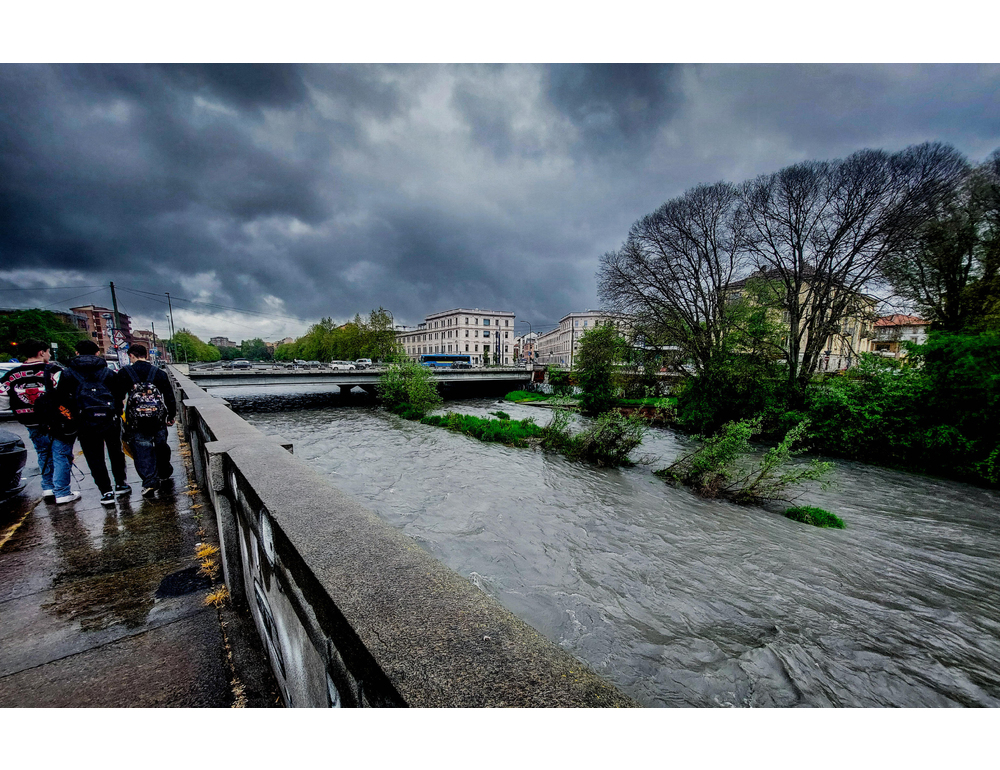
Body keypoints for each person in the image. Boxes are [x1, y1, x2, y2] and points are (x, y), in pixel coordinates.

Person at [0, 339, 80, 503]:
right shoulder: (53, 371)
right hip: (56, 420)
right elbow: (69, 392)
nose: (49, 354)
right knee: (61, 454)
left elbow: (2, 401)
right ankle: (62, 491)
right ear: (41, 352)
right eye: (48, 351)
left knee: (43, 453)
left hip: (30, 421)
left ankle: (48, 488)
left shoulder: (11, 375)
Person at [59, 340, 131, 506]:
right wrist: (117, 411)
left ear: (77, 353)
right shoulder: (108, 373)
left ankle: (106, 492)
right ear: (97, 353)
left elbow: (62, 398)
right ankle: (120, 483)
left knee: (94, 457)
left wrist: (74, 414)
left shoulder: (68, 374)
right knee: (115, 451)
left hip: (84, 421)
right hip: (110, 419)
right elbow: (119, 394)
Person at [114, 344, 176, 498]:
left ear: (131, 356)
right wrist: (171, 415)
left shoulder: (125, 373)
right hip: (157, 419)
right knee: (161, 445)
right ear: (146, 354)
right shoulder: (158, 373)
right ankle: (164, 472)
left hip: (136, 421)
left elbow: (117, 397)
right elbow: (169, 396)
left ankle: (149, 481)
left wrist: (119, 415)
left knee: (142, 451)